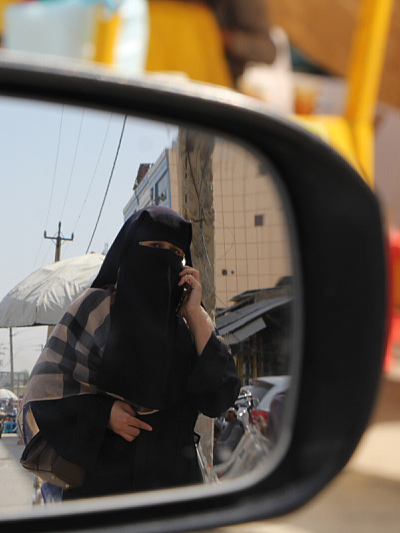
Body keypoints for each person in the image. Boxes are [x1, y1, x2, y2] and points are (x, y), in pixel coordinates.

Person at [21, 206, 240, 501]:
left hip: (176, 490)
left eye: (177, 253)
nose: (166, 258)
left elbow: (221, 397)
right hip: (105, 489)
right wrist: (104, 415)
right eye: (156, 247)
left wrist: (194, 313)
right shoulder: (97, 308)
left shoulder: (189, 323)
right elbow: (45, 393)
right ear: (130, 249)